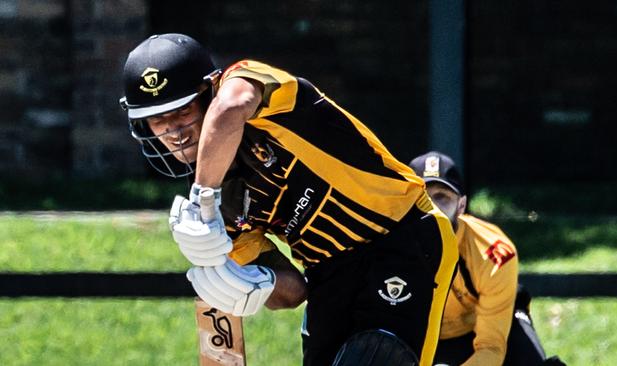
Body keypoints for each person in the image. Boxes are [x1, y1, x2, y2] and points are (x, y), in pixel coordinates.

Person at [119, 33, 458, 366]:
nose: (175, 131)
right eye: (158, 119)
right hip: (329, 274)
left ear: (210, 91)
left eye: (183, 111)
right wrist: (255, 286)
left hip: (401, 237)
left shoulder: (247, 84)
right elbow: (294, 291)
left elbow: (232, 106)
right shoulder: (219, 209)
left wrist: (202, 198)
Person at [408, 151, 565, 366]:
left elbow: (491, 347)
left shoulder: (493, 252)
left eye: (442, 197)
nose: (432, 208)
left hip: (480, 332)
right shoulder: (383, 246)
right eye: (422, 198)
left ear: (461, 206)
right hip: (417, 337)